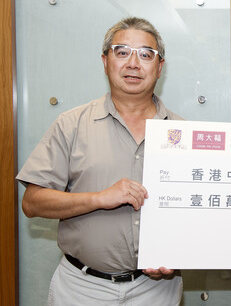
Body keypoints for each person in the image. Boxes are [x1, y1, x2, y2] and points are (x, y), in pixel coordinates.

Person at [17, 17, 183, 305]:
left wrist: (176, 255)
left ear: (159, 67)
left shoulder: (184, 134)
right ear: (105, 61)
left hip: (156, 290)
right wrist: (98, 198)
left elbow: (193, 214)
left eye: (146, 54)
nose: (133, 63)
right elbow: (32, 203)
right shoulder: (71, 124)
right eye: (122, 52)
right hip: (82, 288)